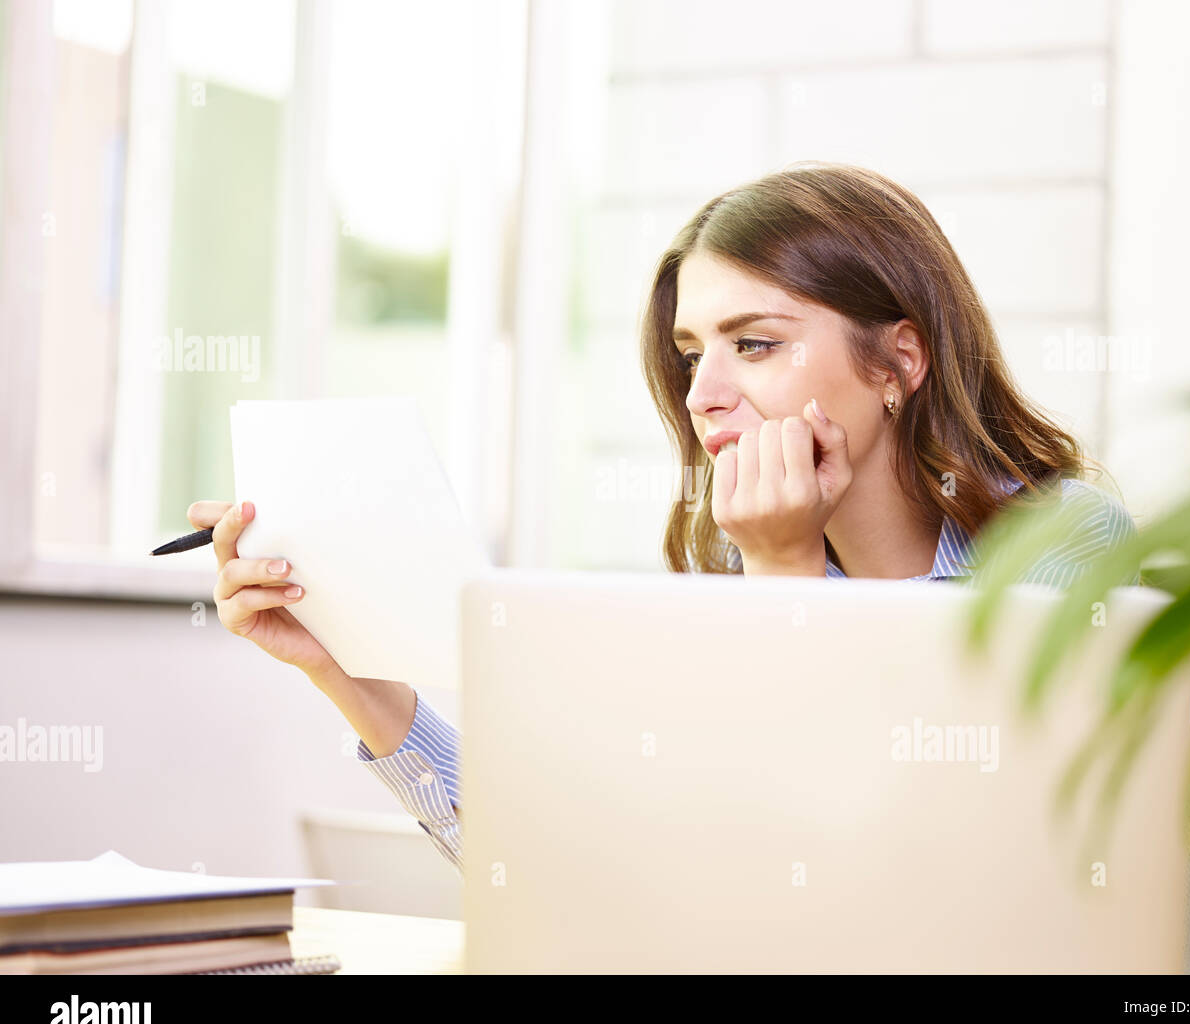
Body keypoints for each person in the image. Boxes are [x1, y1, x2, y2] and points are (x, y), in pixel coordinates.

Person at [187, 163, 1137, 875]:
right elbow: (583, 872)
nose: (703, 394)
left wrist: (785, 578)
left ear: (898, 363)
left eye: (754, 345)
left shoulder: (1065, 547)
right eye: (690, 354)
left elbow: (909, 878)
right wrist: (347, 668)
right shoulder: (733, 574)